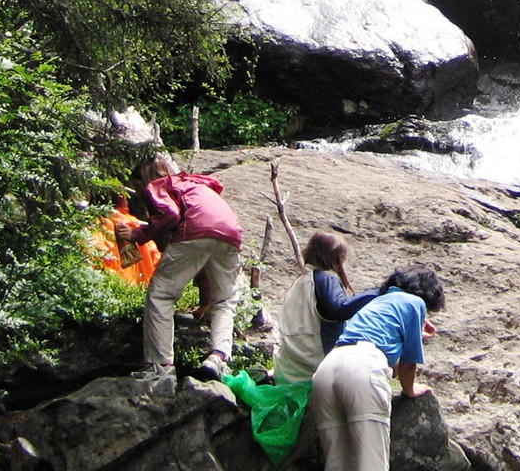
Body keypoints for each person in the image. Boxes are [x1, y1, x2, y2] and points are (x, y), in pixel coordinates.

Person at [118, 152, 244, 383]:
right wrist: (206, 299)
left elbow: (170, 214)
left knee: (161, 295)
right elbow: (206, 254)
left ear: (143, 178)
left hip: (195, 230)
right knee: (224, 299)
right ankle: (218, 358)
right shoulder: (195, 185)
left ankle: (160, 368)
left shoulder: (158, 185)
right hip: (230, 233)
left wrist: (138, 234)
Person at [309, 266, 443, 471]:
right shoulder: (415, 303)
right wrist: (410, 389)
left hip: (327, 369)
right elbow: (407, 364)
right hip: (364, 366)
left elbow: (388, 360)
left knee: (337, 463)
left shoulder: (376, 302)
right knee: (371, 464)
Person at [274, 232, 378, 385]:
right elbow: (340, 309)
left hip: (288, 371)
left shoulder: (302, 280)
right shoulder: (325, 278)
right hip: (314, 373)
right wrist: (377, 292)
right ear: (336, 258)